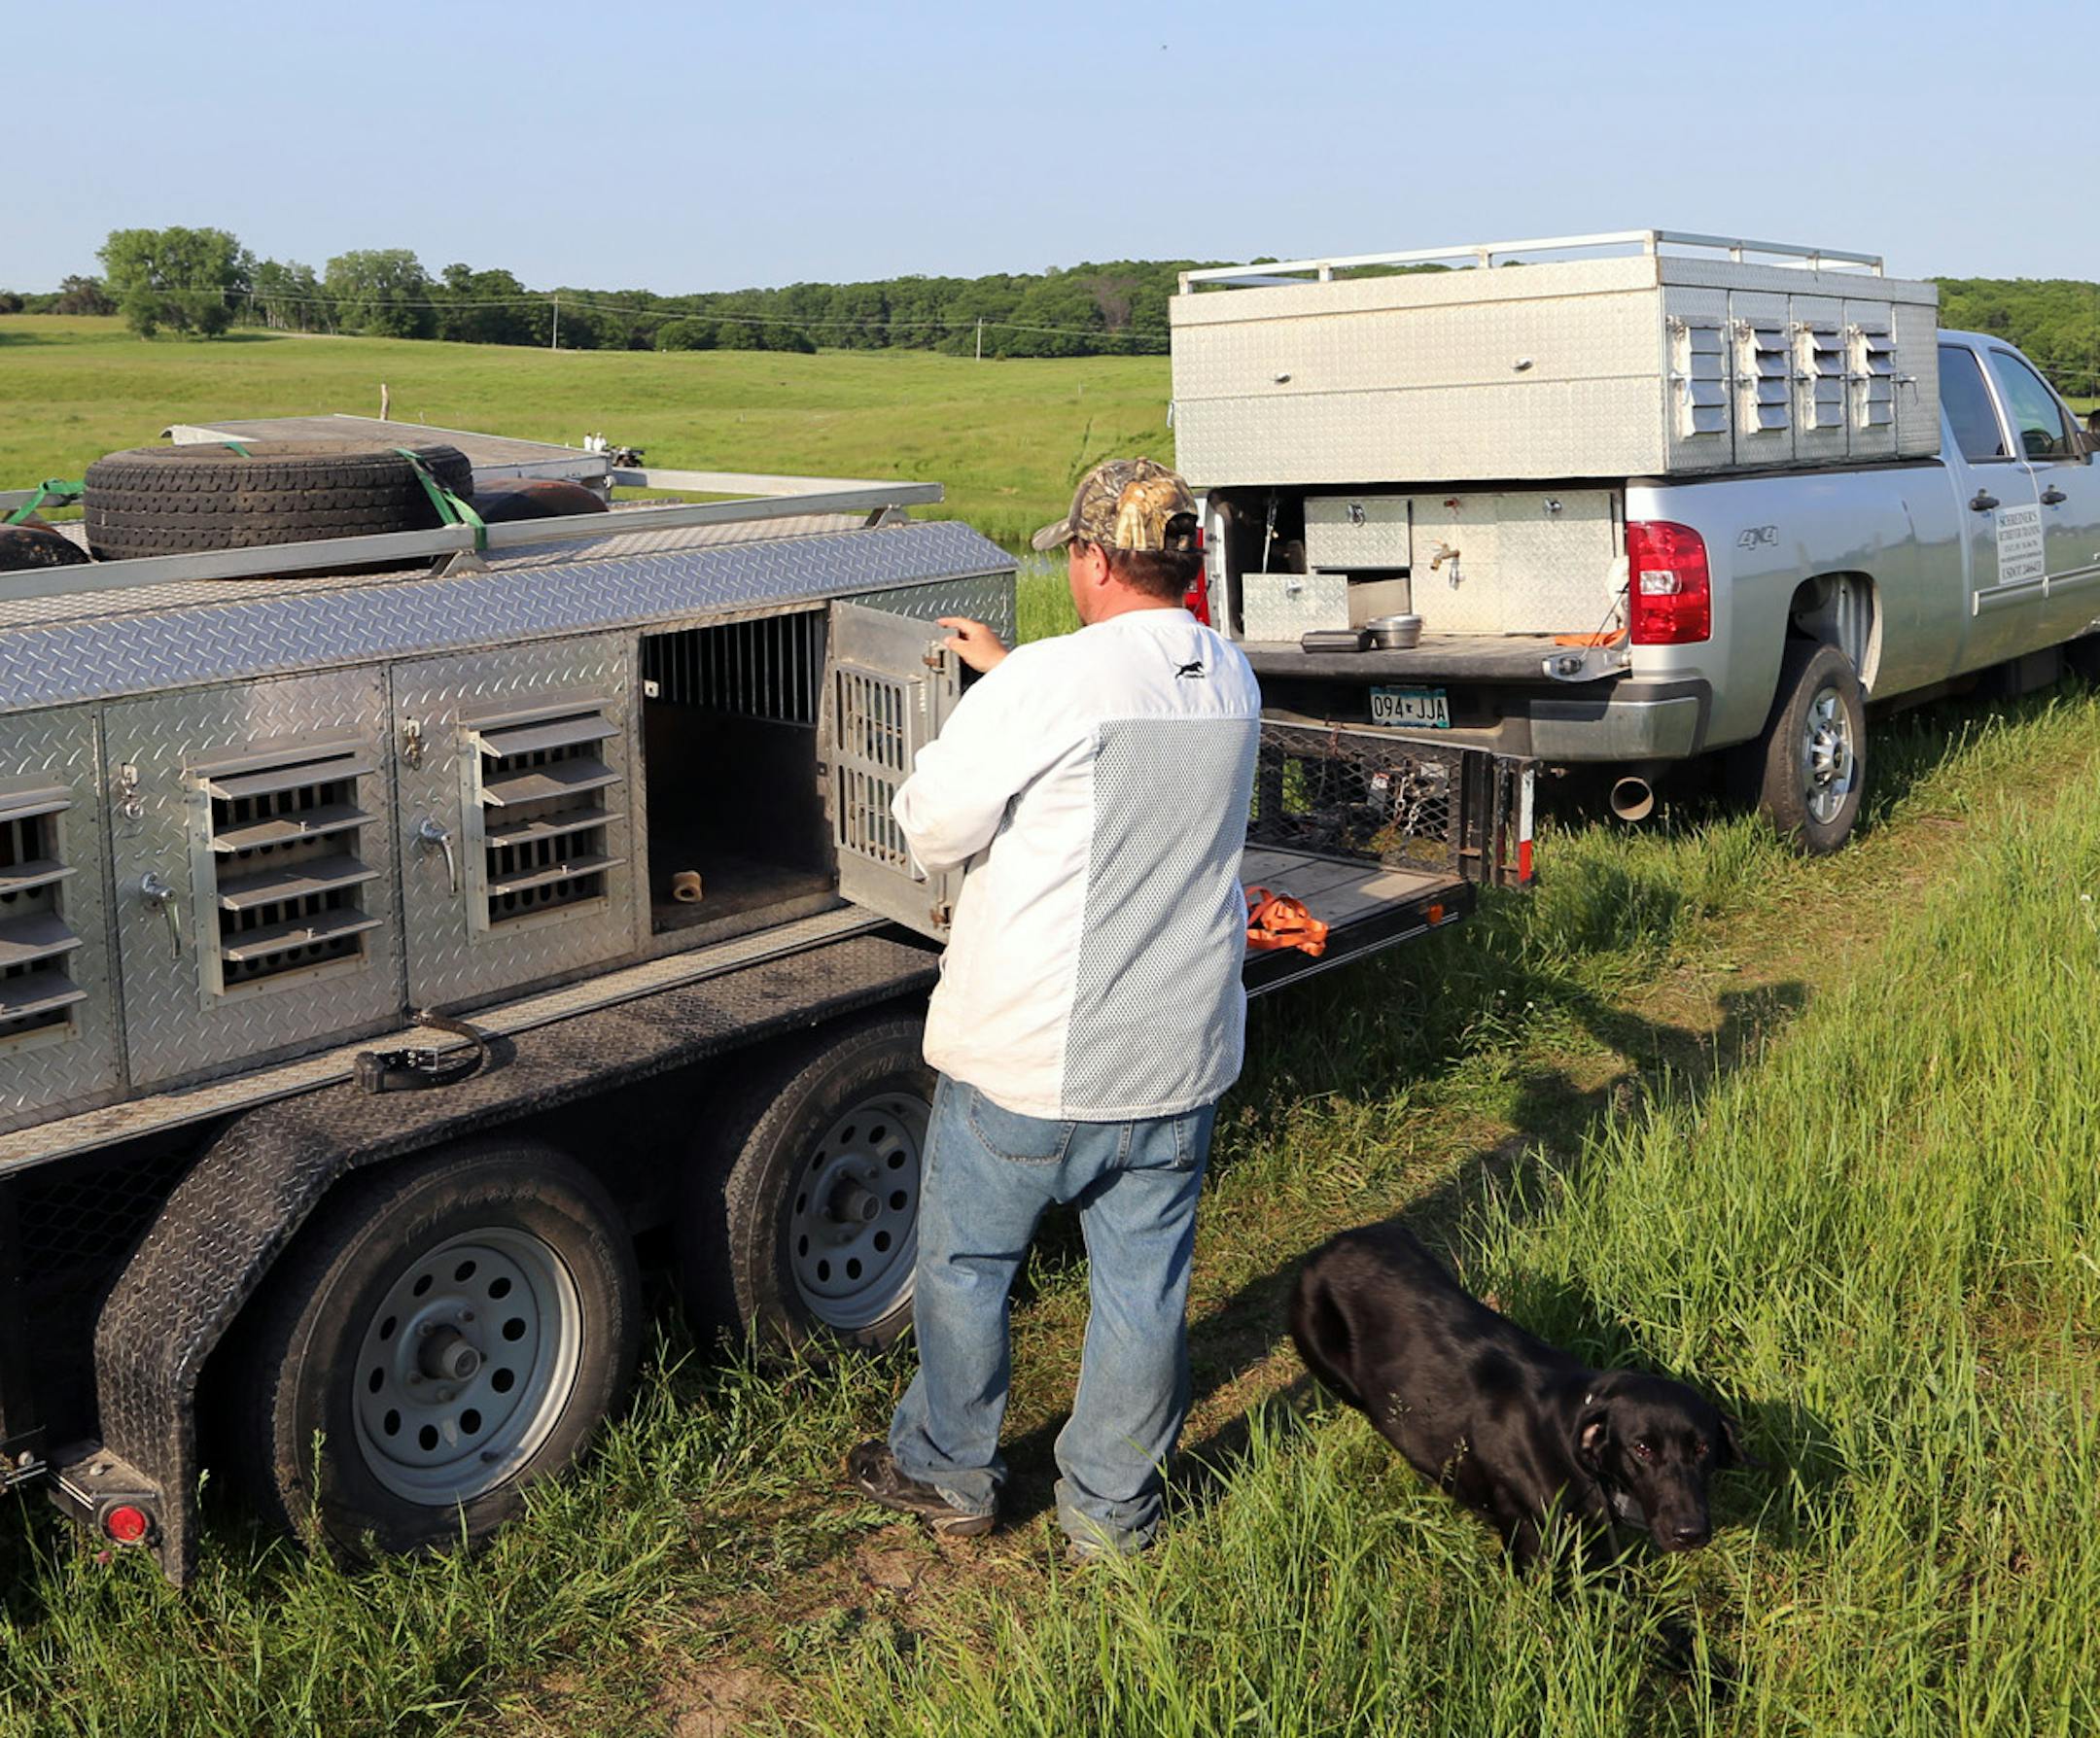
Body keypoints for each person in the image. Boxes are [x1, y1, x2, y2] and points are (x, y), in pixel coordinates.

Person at [847, 459, 1261, 1558]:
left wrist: (996, 695)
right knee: (1141, 1293)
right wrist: (1017, 675)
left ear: (1088, 557)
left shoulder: (1050, 689)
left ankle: (951, 1468)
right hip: (1178, 1055)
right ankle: (1112, 1516)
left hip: (1033, 1060)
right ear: (1181, 563)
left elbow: (931, 824)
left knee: (969, 1270)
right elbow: (1119, 714)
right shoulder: (1230, 676)